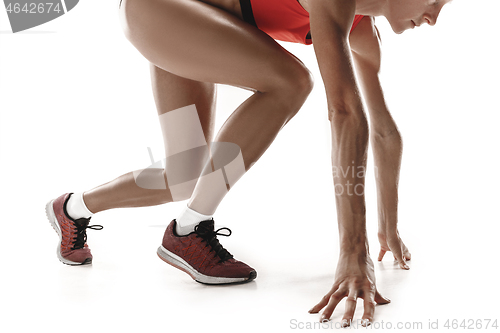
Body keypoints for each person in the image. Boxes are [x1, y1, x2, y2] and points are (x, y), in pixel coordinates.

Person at [45, 0, 448, 325]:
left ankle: (71, 207)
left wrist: (387, 226)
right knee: (291, 81)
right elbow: (344, 112)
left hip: (195, 19)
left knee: (183, 174)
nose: (434, 16)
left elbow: (381, 129)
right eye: (435, 1)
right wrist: (352, 251)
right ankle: (188, 231)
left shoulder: (363, 31)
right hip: (161, 9)